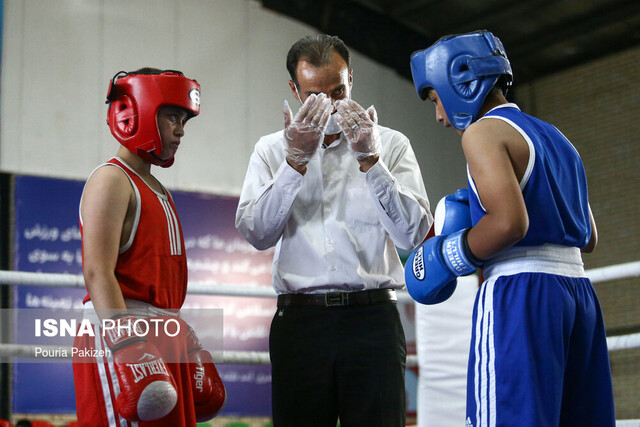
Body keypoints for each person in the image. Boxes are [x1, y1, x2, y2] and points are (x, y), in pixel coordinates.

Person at [405, 31, 615, 426]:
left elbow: (510, 223)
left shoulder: (481, 132)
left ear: (458, 81)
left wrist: (452, 253)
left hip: (521, 292)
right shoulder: (558, 137)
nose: (439, 116)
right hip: (578, 294)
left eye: (436, 100)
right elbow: (588, 237)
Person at [236, 34, 432, 426]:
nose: (330, 105)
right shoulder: (271, 150)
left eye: (338, 91)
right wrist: (293, 164)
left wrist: (371, 160)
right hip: (300, 325)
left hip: (372, 320)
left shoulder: (390, 144)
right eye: (314, 94)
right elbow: (257, 234)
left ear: (351, 80)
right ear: (294, 89)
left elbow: (413, 234)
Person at [72, 68, 226, 426]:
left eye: (184, 119)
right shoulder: (111, 179)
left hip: (160, 333)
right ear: (136, 110)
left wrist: (178, 329)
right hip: (120, 328)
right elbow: (97, 271)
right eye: (173, 115)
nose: (181, 129)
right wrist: (126, 343)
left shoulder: (157, 188)